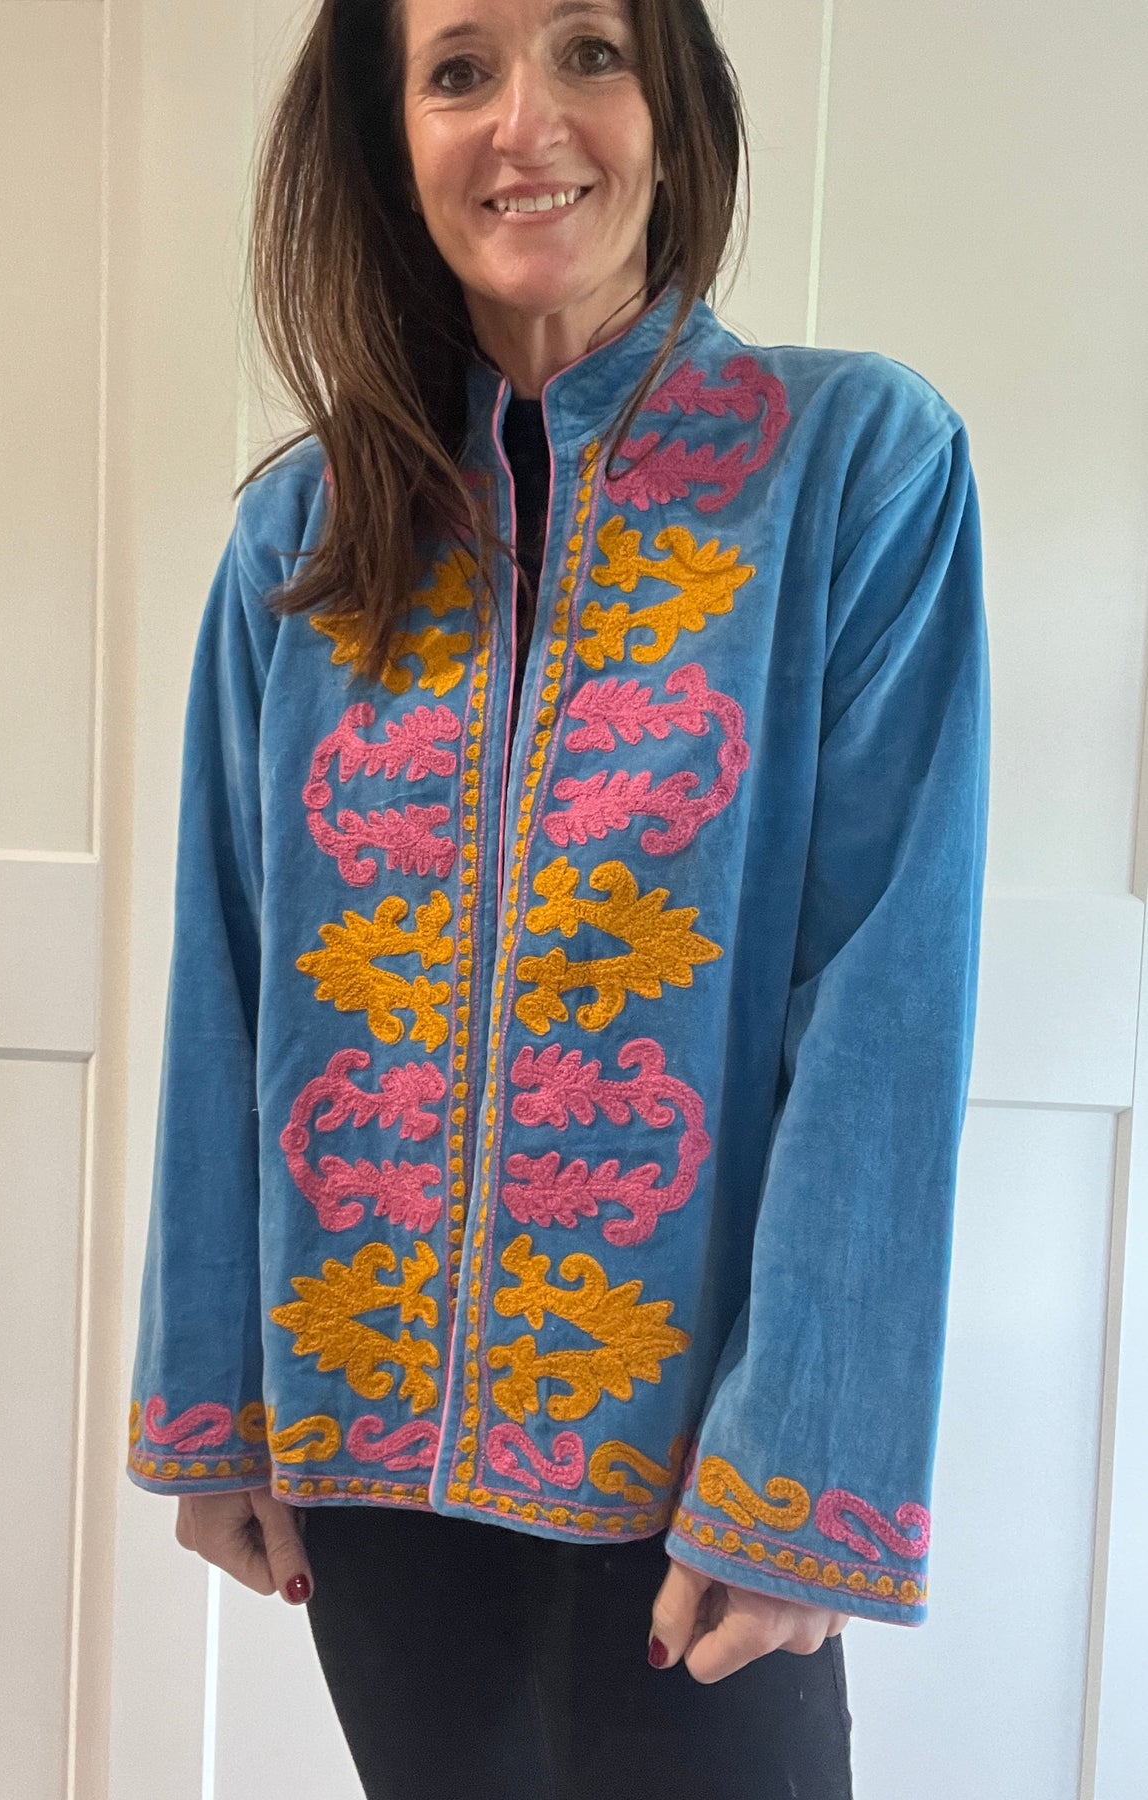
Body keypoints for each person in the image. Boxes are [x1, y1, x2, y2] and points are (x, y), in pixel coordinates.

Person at [126, 0, 990, 1791]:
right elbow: (228, 966)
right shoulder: (305, 531)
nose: (528, 120)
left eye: (590, 49)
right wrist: (212, 1394)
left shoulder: (852, 467)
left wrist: (803, 1466)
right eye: (458, 70)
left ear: (672, 108)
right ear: (391, 143)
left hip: (697, 1475)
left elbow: (884, 995)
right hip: (366, 1447)